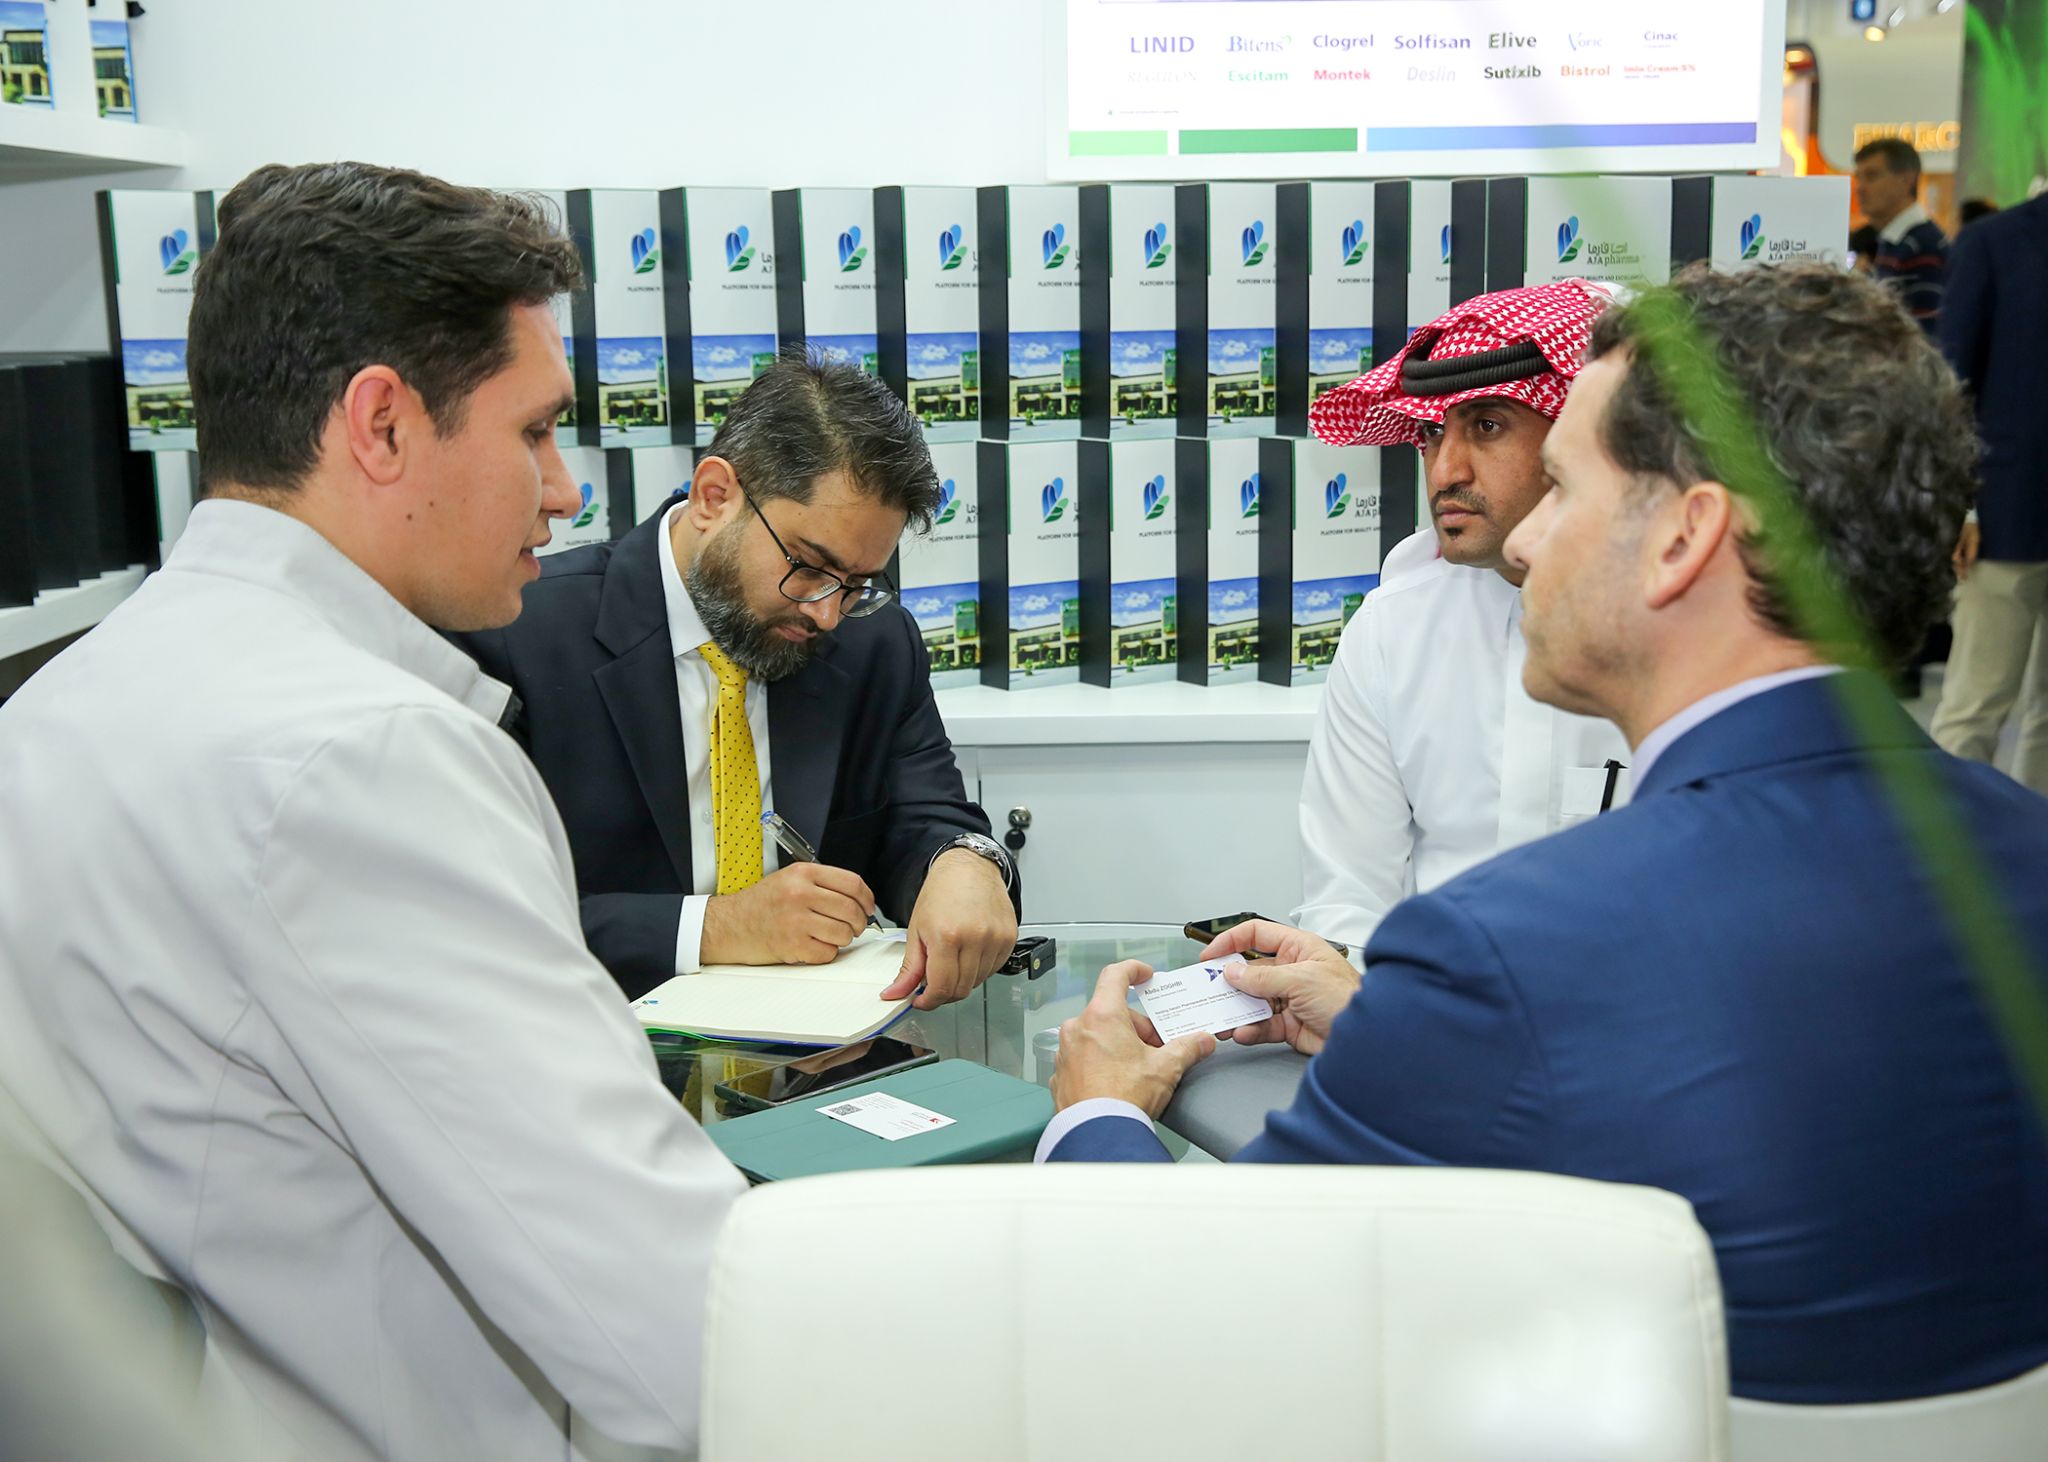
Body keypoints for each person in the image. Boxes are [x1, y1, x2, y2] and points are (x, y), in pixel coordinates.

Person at [1042, 263, 2048, 1405]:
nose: (1523, 546)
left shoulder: (1498, 951)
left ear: (1685, 540)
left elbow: (1203, 1309)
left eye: (1560, 486)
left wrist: (1097, 1112)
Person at [0, 162, 748, 1460]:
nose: (565, 489)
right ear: (383, 425)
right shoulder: (363, 760)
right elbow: (677, 1334)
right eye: (533, 431)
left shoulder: (55, 707)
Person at [450, 355, 1019, 1004]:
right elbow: (470, 915)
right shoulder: (517, 634)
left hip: (821, 1045)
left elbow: (928, 813)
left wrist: (966, 861)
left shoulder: (875, 642)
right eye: (809, 567)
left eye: (858, 583)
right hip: (597, 1038)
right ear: (714, 497)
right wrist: (717, 927)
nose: (827, 613)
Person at [1293, 281, 1630, 958]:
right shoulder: (1391, 632)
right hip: (1431, 1005)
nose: (1445, 471)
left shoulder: (1688, 624)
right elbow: (1345, 902)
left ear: (1585, 439)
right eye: (1430, 433)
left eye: (1487, 426)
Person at [1931, 188, 2048, 794]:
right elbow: (1952, 384)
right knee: (1977, 702)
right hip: (2005, 515)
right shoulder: (1994, 243)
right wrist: (1963, 503)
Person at [1853, 137, 1949, 333]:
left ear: (1906, 180)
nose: (1860, 188)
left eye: (1871, 176)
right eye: (1858, 177)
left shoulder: (1924, 246)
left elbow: (1925, 334)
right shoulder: (1893, 241)